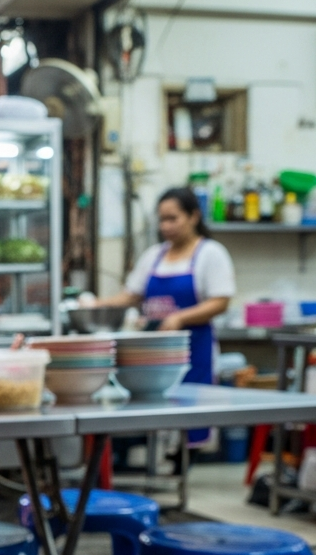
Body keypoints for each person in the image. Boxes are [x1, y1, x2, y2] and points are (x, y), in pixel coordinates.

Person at [93, 186, 235, 446]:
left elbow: (221, 301)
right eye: (162, 220)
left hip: (195, 350)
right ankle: (164, 463)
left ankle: (184, 466)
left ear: (193, 216)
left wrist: (180, 318)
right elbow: (130, 295)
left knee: (192, 415)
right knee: (157, 412)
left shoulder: (210, 253)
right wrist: (96, 304)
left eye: (173, 218)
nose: (166, 226)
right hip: (154, 354)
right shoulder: (154, 255)